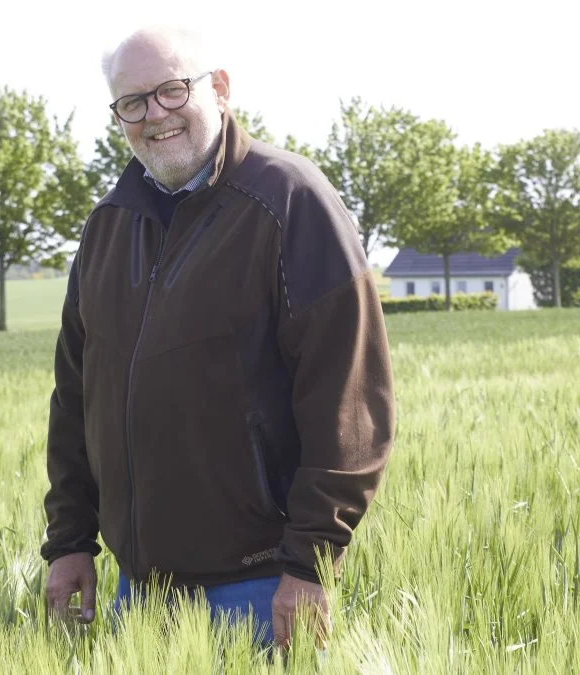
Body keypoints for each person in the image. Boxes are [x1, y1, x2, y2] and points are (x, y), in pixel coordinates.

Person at [40, 25, 395, 648]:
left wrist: (311, 561)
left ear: (220, 88)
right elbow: (76, 398)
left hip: (260, 586)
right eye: (132, 103)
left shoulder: (291, 201)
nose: (154, 115)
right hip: (137, 594)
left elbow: (350, 397)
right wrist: (69, 541)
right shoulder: (108, 226)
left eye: (172, 91)